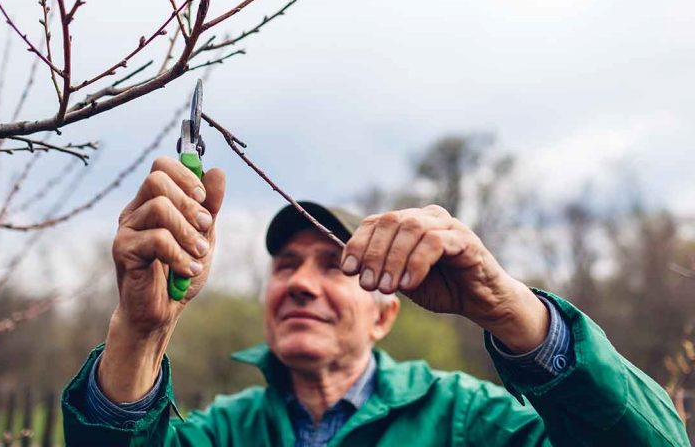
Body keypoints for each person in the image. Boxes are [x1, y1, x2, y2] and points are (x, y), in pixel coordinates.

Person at [61, 157, 688, 446]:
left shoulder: (469, 423)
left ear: (386, 313)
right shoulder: (224, 433)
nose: (301, 282)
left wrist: (511, 310)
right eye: (285, 266)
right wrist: (139, 332)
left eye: (333, 265)